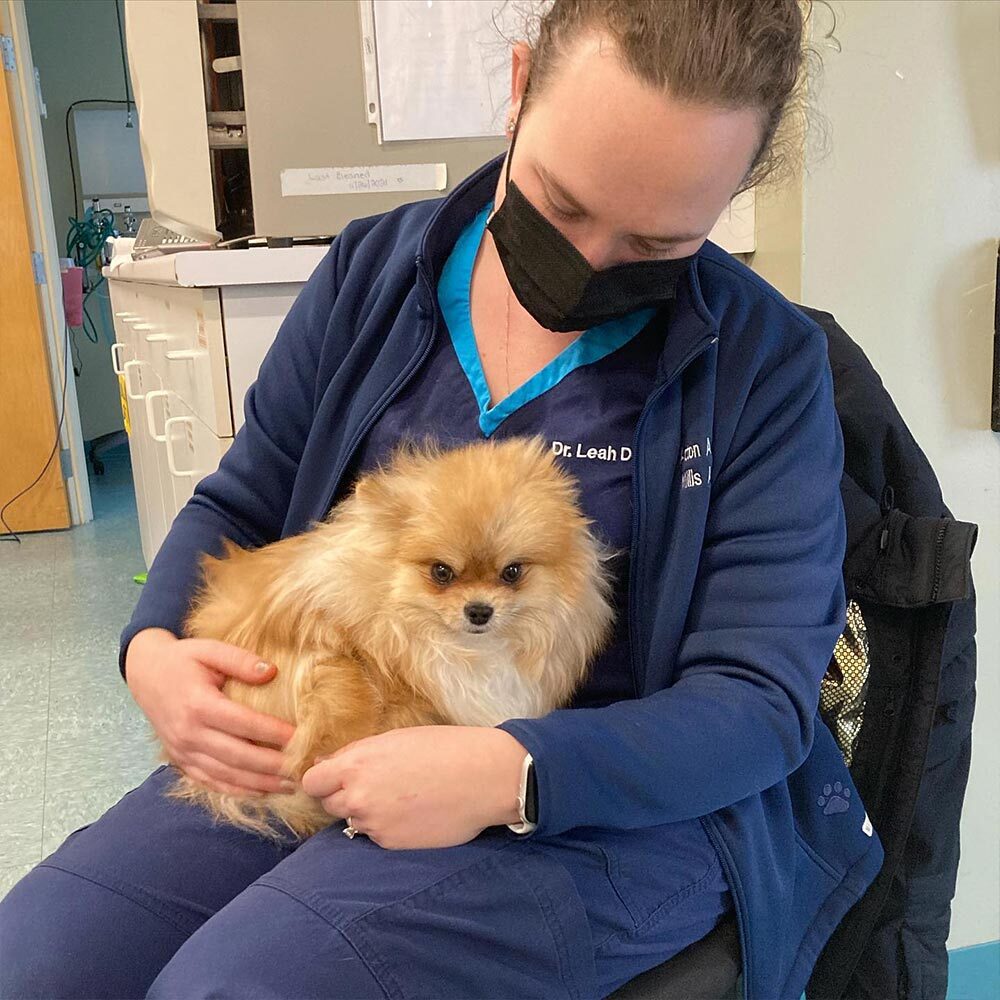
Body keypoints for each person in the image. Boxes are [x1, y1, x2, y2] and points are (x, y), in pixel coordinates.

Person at [0, 2, 884, 997]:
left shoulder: (764, 366)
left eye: (654, 240)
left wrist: (509, 772)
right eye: (562, 204)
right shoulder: (375, 274)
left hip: (621, 802)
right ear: (517, 88)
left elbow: (757, 705)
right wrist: (154, 649)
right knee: (37, 959)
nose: (589, 262)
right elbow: (242, 500)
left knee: (242, 986)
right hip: (342, 723)